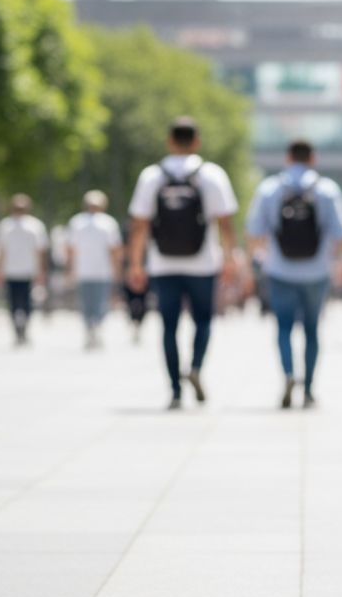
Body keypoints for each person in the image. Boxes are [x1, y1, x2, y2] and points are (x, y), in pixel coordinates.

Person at [127, 117, 240, 409]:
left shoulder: (152, 176)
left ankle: (175, 390)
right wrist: (230, 259)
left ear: (170, 141)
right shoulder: (212, 174)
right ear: (197, 142)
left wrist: (135, 264)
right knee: (203, 320)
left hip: (163, 264)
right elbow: (225, 223)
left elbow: (139, 225)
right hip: (203, 263)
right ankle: (196, 367)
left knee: (168, 326)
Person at [246, 139, 342, 411]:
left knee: (283, 327)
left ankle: (288, 375)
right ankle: (308, 389)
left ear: (288, 158)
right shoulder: (326, 189)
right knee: (311, 330)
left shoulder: (270, 188)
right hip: (317, 272)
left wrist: (256, 262)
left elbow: (254, 232)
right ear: (312, 158)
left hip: (279, 270)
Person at [67, 190, 123, 350]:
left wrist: (70, 269)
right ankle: (96, 326)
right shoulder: (108, 223)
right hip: (102, 270)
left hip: (83, 270)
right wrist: (117, 269)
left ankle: (89, 328)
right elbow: (115, 250)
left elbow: (70, 249)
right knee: (100, 302)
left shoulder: (76, 222)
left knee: (86, 303)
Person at [0, 195, 48, 347]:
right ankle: (21, 329)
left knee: (15, 302)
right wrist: (40, 270)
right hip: (24, 270)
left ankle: (20, 329)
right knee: (24, 302)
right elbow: (39, 252)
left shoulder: (6, 225)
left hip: (15, 270)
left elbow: (1, 251)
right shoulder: (34, 226)